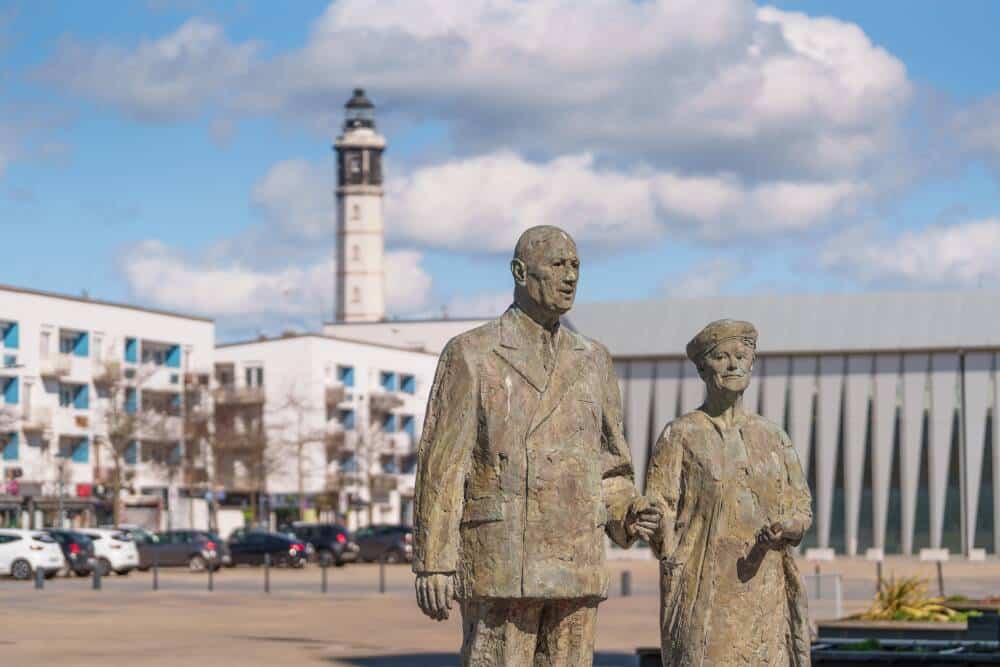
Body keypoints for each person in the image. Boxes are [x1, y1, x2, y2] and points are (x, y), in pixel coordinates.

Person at [412, 225, 661, 666]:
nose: (570, 277)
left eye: (576, 266)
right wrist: (434, 559)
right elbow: (443, 465)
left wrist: (626, 512)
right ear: (520, 272)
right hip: (504, 557)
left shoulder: (593, 359)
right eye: (558, 265)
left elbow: (611, 467)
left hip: (575, 557)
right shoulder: (474, 353)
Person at [645, 319, 813, 666]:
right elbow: (660, 509)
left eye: (742, 355)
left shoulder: (773, 437)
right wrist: (650, 520)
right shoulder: (681, 434)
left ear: (753, 362)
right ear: (703, 369)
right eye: (721, 357)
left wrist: (789, 527)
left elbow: (802, 507)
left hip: (766, 593)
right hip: (706, 593)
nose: (734, 364)